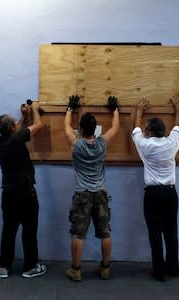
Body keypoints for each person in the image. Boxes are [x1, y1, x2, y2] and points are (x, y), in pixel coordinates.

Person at [63, 95, 120, 282]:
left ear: (80, 129)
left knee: (78, 233)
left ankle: (76, 269)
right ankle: (105, 269)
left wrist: (70, 109)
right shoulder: (102, 144)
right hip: (101, 194)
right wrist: (115, 109)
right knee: (105, 232)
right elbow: (116, 128)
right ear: (95, 129)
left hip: (83, 195)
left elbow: (65, 128)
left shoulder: (77, 145)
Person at [0, 100, 47, 279]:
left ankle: (3, 265)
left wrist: (23, 116)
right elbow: (38, 125)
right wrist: (34, 109)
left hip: (8, 193)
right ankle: (31, 266)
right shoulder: (16, 138)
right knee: (29, 229)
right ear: (12, 128)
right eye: (14, 122)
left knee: (9, 229)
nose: (16, 123)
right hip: (25, 193)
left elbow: (14, 130)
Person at [131, 97, 179, 282]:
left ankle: (159, 271)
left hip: (153, 195)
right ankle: (173, 268)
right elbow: (178, 126)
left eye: (147, 129)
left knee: (155, 233)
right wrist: (178, 108)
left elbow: (135, 130)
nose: (144, 131)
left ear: (151, 132)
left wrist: (139, 110)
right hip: (170, 193)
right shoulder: (172, 143)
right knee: (171, 232)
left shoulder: (145, 146)